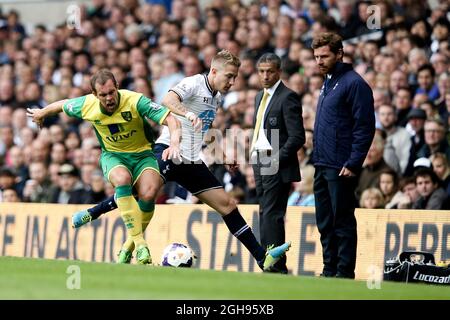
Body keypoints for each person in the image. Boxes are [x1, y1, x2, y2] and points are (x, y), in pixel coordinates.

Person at [71, 50, 291, 271]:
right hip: (168, 150)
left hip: (191, 160)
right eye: (229, 76)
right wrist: (186, 114)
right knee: (142, 193)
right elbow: (168, 99)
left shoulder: (216, 97)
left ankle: (262, 258)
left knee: (228, 205)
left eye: (235, 77)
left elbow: (205, 126)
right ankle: (95, 214)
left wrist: (222, 155)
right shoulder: (194, 83)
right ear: (214, 71)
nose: (232, 82)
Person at [27, 69, 182, 265]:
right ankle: (141, 245)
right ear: (94, 95)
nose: (109, 98)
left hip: (143, 154)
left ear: (117, 87)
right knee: (122, 180)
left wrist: (174, 142)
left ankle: (127, 248)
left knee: (149, 193)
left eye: (112, 92)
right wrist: (42, 113)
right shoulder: (87, 105)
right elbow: (63, 104)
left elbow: (170, 118)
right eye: (103, 95)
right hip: (113, 156)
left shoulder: (134, 100)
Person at [311, 32, 375, 279]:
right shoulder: (327, 82)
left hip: (341, 165)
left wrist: (354, 162)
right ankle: (329, 269)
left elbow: (364, 126)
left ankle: (345, 272)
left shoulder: (354, 83)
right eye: (316, 56)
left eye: (324, 56)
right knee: (325, 222)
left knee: (342, 221)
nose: (319, 61)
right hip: (322, 163)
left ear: (339, 54)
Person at [251, 53, 305, 273]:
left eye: (270, 71)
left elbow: (297, 137)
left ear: (279, 72)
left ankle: (276, 265)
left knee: (272, 214)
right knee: (265, 212)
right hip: (260, 161)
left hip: (275, 163)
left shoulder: (288, 97)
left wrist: (276, 159)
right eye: (261, 71)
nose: (265, 75)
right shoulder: (258, 97)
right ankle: (268, 262)